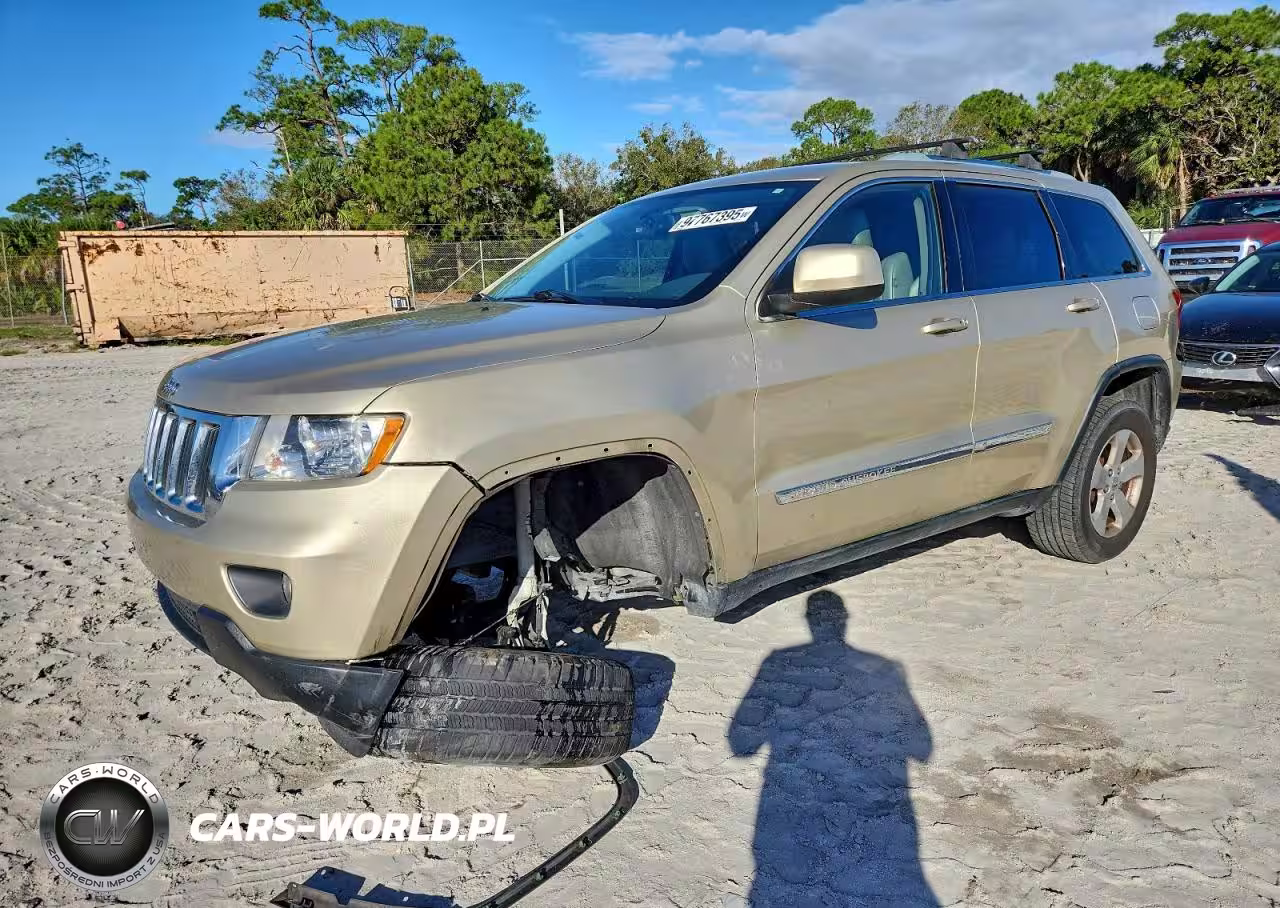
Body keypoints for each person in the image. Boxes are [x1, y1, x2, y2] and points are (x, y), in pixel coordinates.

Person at [729, 590, 938, 906]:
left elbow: (741, 743)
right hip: (874, 826)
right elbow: (923, 749)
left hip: (789, 812)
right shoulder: (886, 669)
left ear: (809, 622)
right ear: (845, 621)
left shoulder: (778, 662)